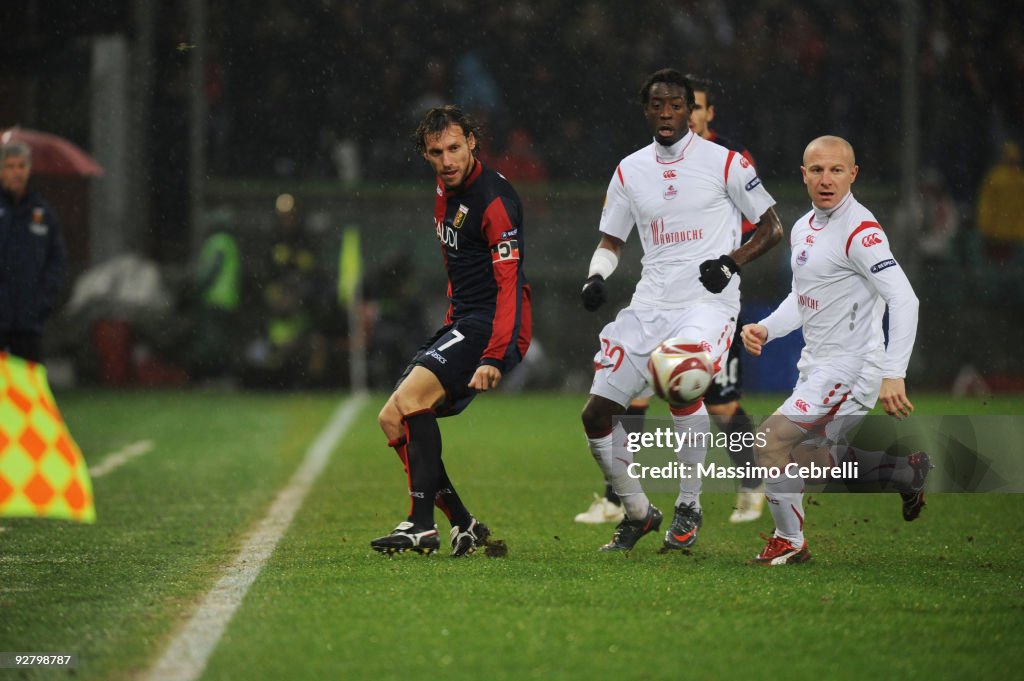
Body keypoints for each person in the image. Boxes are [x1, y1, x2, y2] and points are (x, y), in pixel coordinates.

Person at [579, 68, 782, 553]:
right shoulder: (630, 169)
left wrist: (731, 263)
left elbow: (773, 227)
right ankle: (638, 512)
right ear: (646, 109)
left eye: (676, 105)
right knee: (595, 415)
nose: (666, 113)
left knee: (678, 380)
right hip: (651, 302)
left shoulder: (726, 162)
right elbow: (612, 240)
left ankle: (689, 504)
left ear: (690, 111)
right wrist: (596, 276)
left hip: (706, 304)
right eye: (657, 105)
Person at [741, 135, 929, 566]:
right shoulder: (805, 226)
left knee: (770, 443)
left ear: (853, 174)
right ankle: (906, 473)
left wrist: (892, 372)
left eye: (837, 170)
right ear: (803, 174)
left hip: (852, 369)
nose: (827, 180)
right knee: (816, 462)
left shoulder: (861, 233)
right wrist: (767, 329)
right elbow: (803, 297)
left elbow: (905, 299)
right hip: (818, 366)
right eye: (818, 170)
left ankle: (789, 542)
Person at [371, 105, 531, 557]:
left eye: (455, 148)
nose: (448, 160)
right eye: (437, 151)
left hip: (493, 323)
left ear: (473, 143)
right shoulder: (444, 188)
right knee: (391, 418)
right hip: (463, 320)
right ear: (426, 154)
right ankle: (463, 522)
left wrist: (494, 355)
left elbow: (508, 283)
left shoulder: (494, 201)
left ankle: (421, 523)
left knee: (411, 401)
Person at [0, 140, 67, 363]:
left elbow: (57, 261)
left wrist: (42, 300)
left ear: (29, 169)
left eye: (21, 166)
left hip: (28, 322)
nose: (16, 172)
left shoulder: (42, 213)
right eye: (10, 166)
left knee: (27, 389)